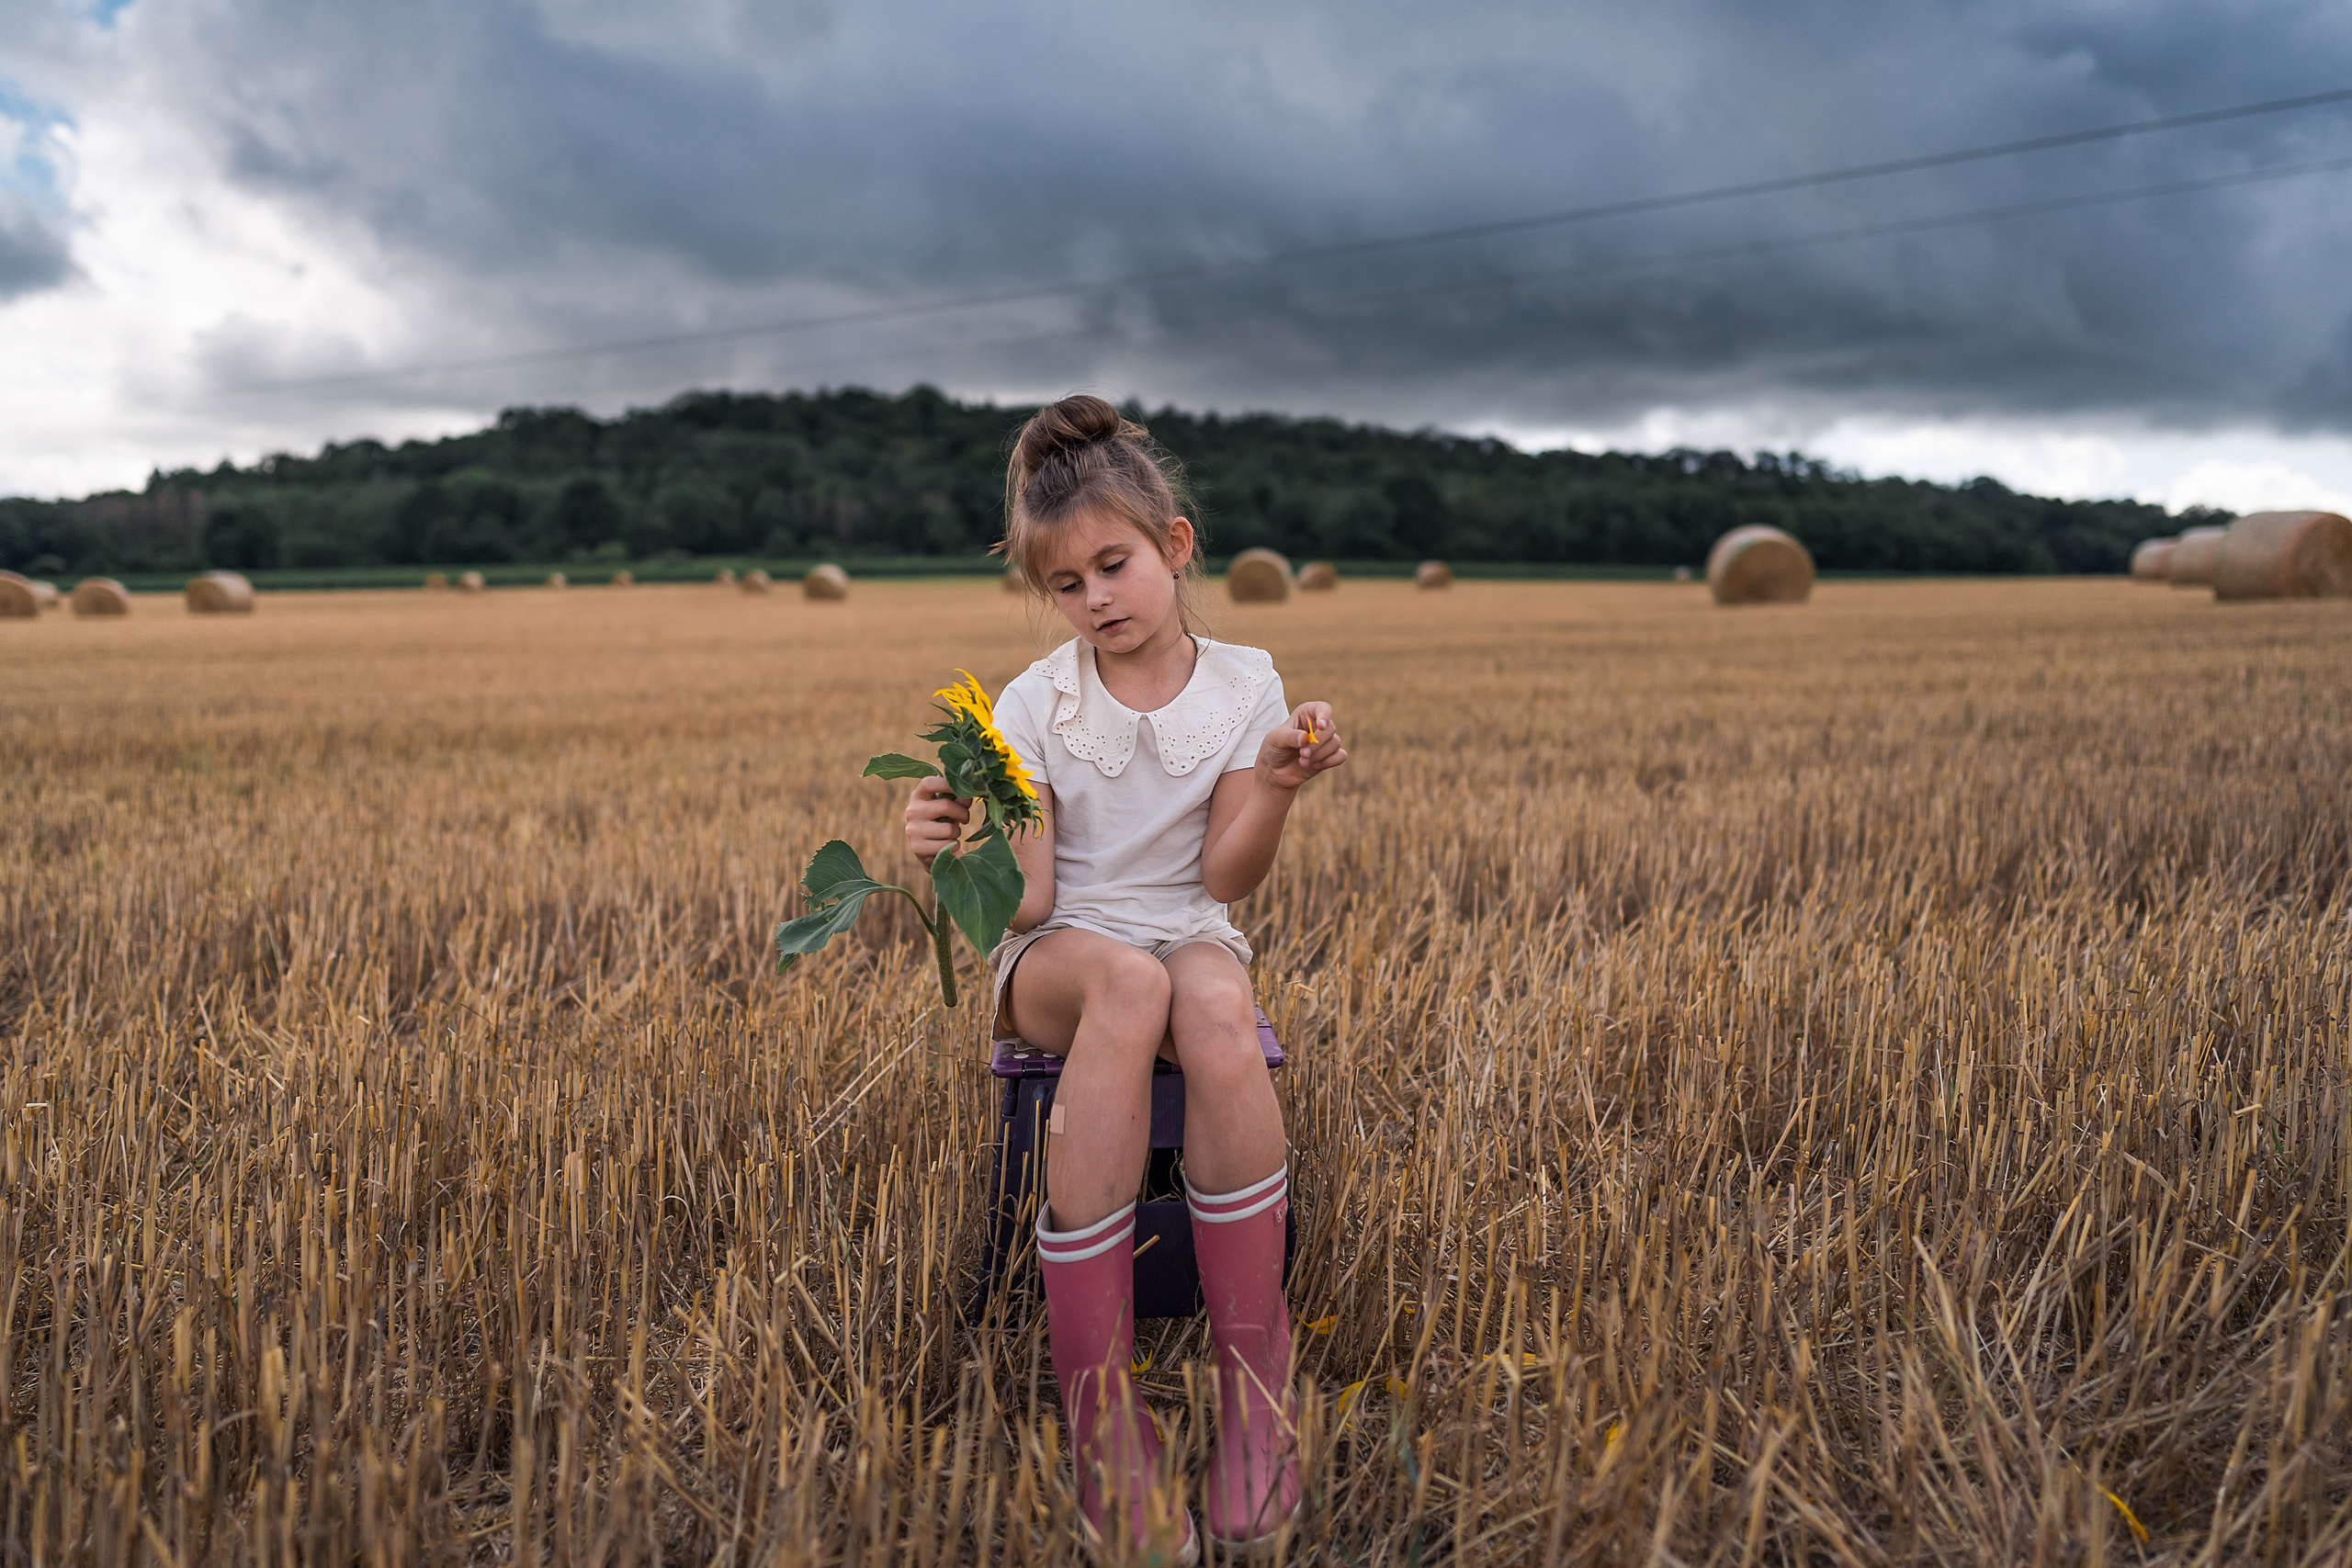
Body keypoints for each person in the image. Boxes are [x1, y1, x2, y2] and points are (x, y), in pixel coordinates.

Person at [905, 394, 1347, 1559]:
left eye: (1114, 566)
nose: (1095, 598)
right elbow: (1033, 900)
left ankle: (1258, 1391)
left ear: (1175, 548)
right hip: (1058, 953)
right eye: (1066, 584)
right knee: (1131, 987)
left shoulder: (1246, 681)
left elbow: (1226, 876)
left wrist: (1278, 786)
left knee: (1207, 991)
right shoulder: (1029, 704)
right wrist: (956, 844)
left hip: (1188, 926)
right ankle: (1098, 1407)